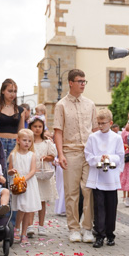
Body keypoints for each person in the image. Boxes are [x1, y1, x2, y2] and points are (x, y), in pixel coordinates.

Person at [53, 69, 96, 244]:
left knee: (89, 190)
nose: (83, 84)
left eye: (85, 81)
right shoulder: (61, 105)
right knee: (72, 192)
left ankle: (87, 227)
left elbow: (94, 131)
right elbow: (58, 131)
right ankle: (73, 228)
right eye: (80, 81)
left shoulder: (90, 104)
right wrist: (60, 154)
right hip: (70, 152)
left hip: (88, 152)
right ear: (71, 82)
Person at [84, 109, 124, 248]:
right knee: (99, 207)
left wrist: (110, 157)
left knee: (111, 207)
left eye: (103, 123)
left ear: (110, 123)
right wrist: (98, 158)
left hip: (111, 178)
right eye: (98, 123)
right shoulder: (93, 137)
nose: (100, 126)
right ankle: (99, 235)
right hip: (98, 177)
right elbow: (88, 155)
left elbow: (120, 155)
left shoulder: (117, 138)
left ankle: (110, 234)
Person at [8, 129, 41, 246]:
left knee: (27, 209)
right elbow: (10, 170)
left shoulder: (32, 155)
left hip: (29, 183)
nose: (27, 143)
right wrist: (12, 172)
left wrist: (24, 179)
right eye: (24, 140)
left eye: (29, 141)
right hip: (18, 185)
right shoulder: (13, 155)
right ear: (18, 141)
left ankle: (23, 233)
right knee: (22, 207)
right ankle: (17, 227)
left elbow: (33, 170)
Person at [30, 117, 57, 237]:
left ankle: (41, 226)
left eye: (39, 127)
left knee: (42, 200)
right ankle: (29, 225)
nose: (37, 129)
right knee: (31, 199)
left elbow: (52, 156)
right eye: (35, 126)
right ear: (30, 127)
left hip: (43, 171)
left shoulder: (47, 142)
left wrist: (46, 158)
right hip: (32, 171)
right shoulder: (28, 141)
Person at [0, 78, 24, 156]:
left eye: (15, 91)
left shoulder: (20, 110)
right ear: (3, 91)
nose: (12, 94)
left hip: (15, 142)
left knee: (13, 166)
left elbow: (21, 131)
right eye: (10, 91)